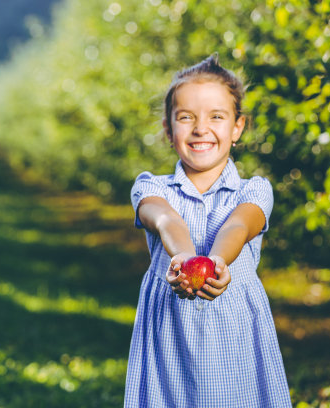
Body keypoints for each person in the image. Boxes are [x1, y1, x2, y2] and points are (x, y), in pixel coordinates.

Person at [124, 54, 291, 407]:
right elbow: (167, 219)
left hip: (235, 335)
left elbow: (239, 224)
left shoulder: (254, 190)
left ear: (237, 127)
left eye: (217, 116)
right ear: (169, 130)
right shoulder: (151, 187)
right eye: (186, 118)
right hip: (170, 338)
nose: (201, 128)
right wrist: (183, 257)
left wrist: (215, 261)